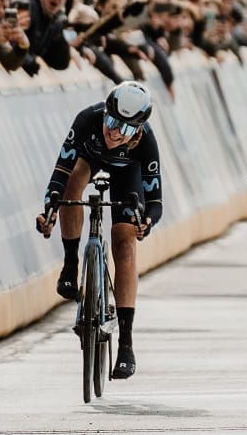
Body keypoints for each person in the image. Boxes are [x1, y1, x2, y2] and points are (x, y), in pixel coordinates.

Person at [37, 82, 164, 380]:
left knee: (125, 243)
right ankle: (70, 265)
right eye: (110, 120)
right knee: (73, 183)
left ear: (139, 132)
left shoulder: (147, 143)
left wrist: (146, 222)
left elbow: (155, 201)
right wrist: (49, 210)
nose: (114, 132)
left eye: (124, 128)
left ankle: (127, 345)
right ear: (104, 112)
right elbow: (59, 173)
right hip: (89, 160)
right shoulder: (87, 120)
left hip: (127, 173)